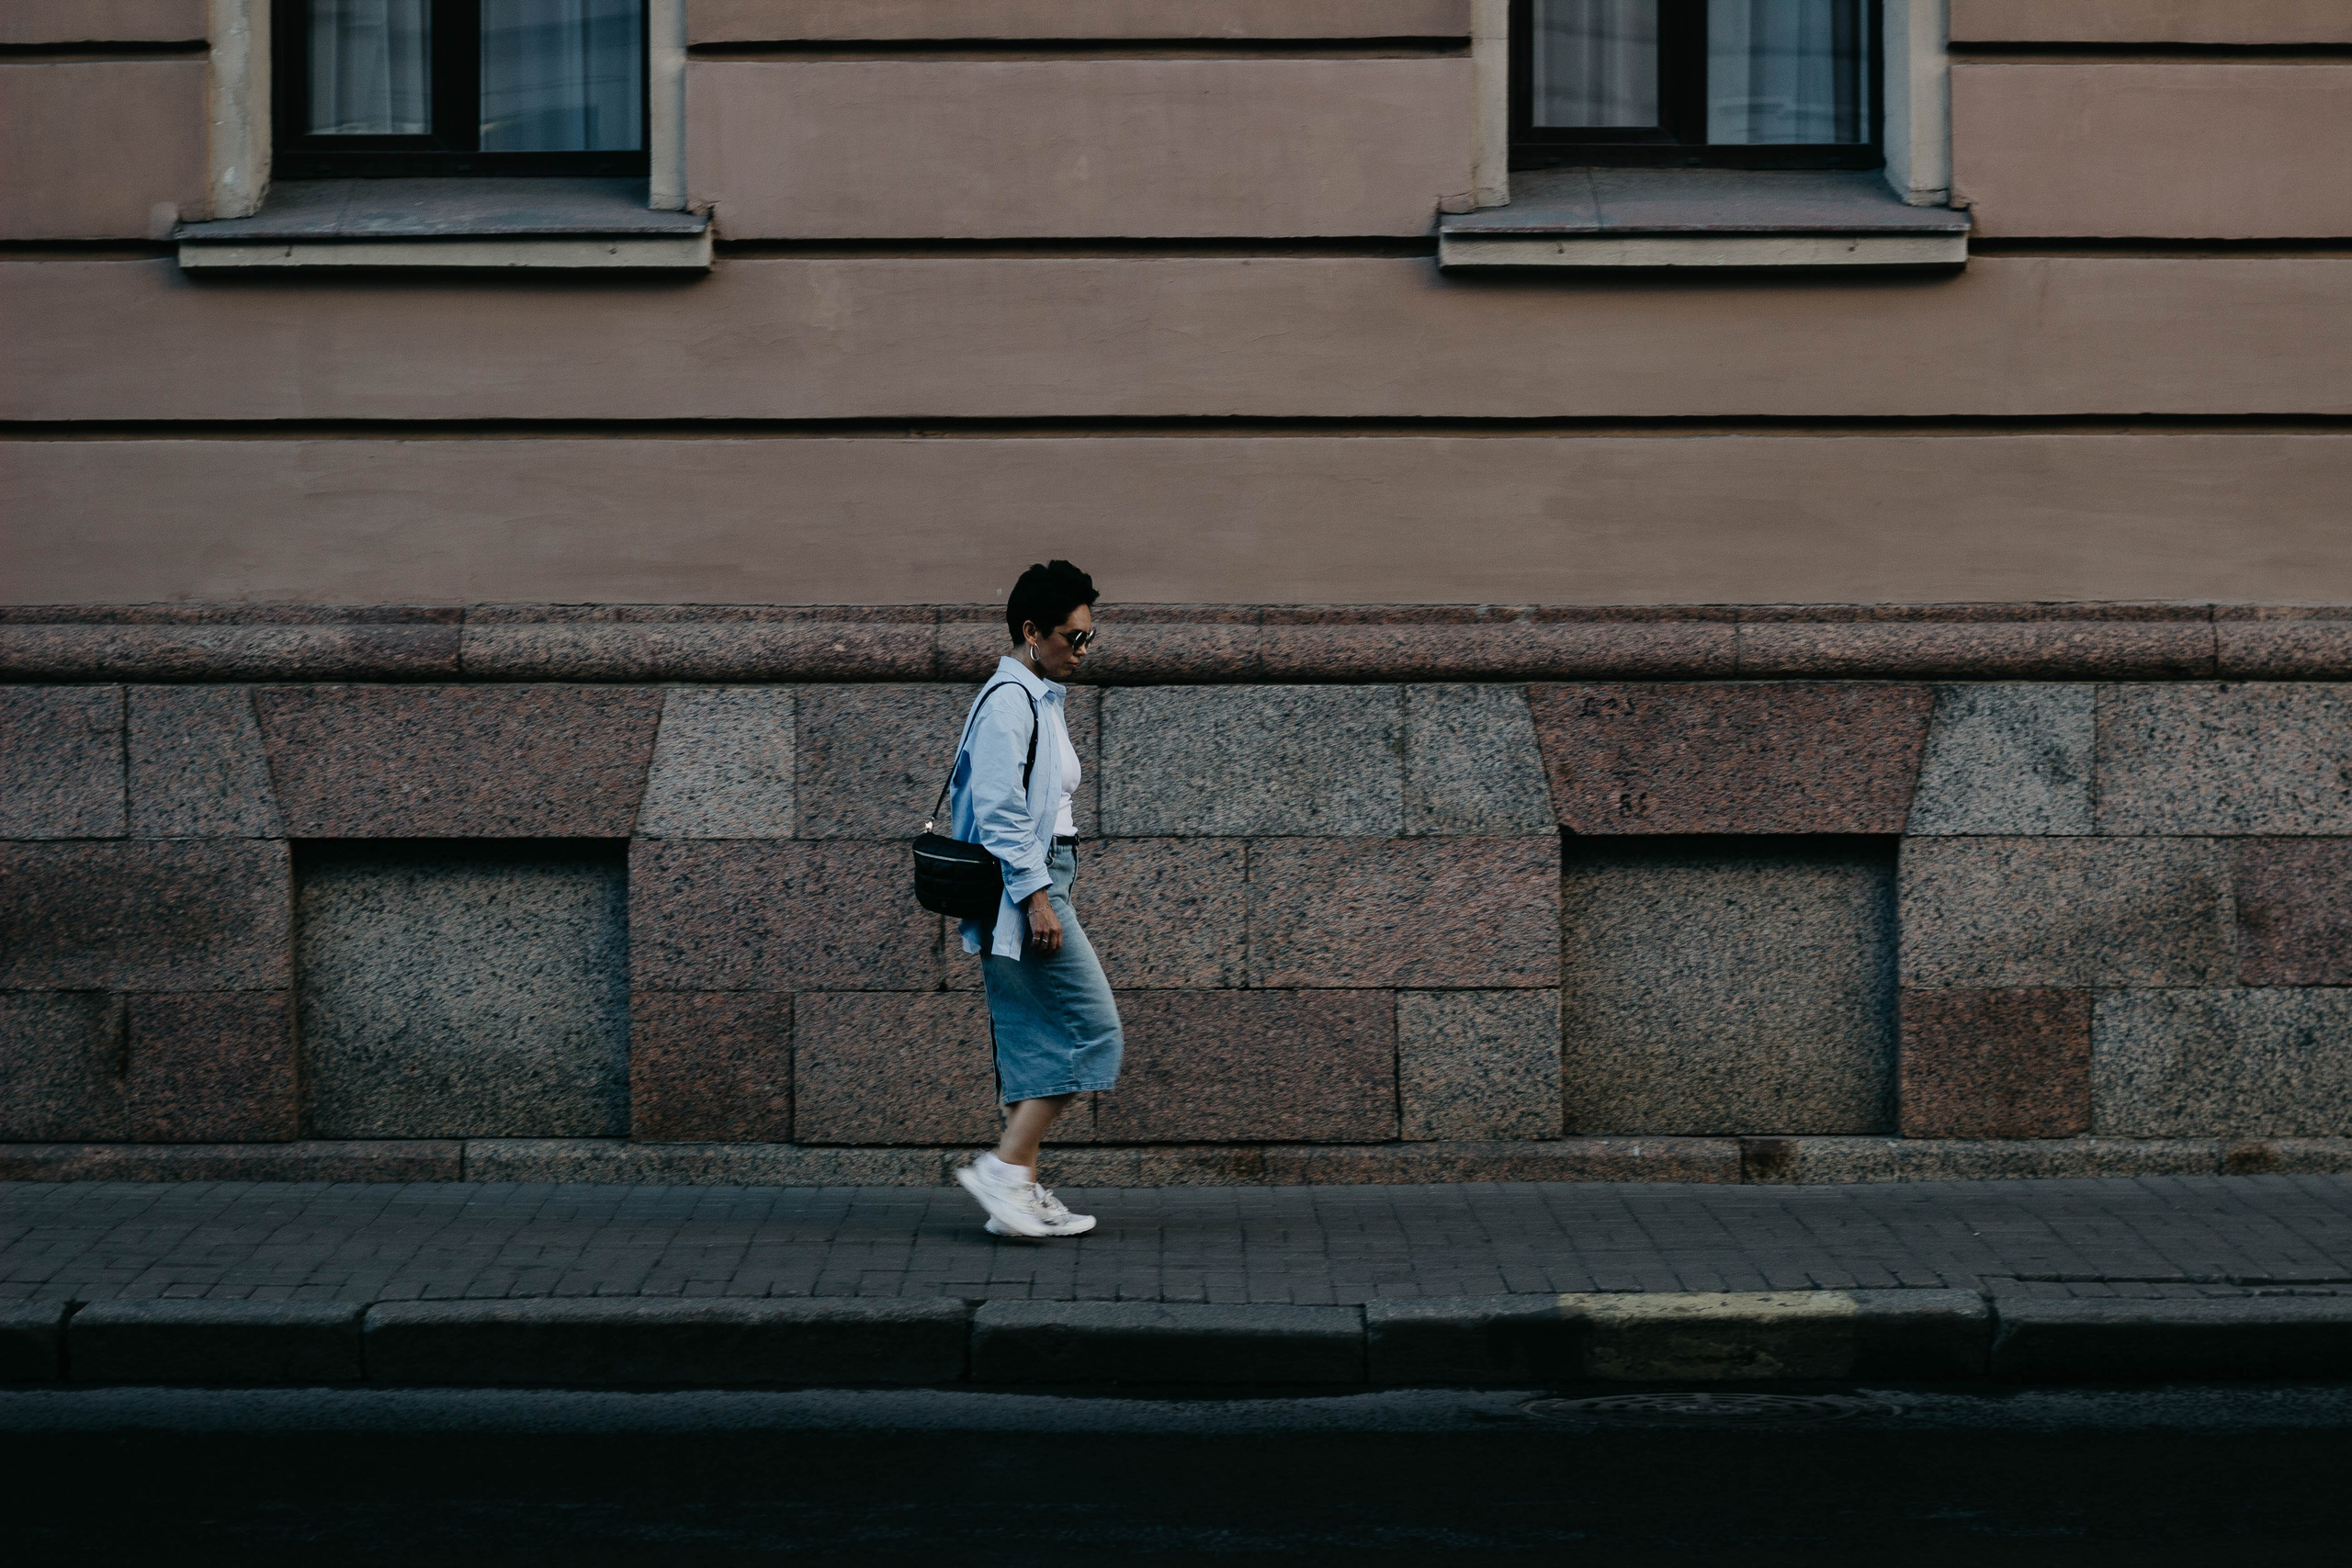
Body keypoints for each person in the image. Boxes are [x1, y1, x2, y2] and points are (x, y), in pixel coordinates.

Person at [947, 560, 1124, 1239]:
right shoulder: (1009, 701)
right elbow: (997, 809)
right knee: (1092, 1029)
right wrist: (1037, 896)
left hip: (1040, 877)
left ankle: (1015, 1189)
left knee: (1032, 1041)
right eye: (1072, 638)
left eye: (1088, 638)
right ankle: (1002, 1167)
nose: (1082, 650)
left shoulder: (1038, 696)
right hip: (1025, 884)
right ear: (1031, 631)